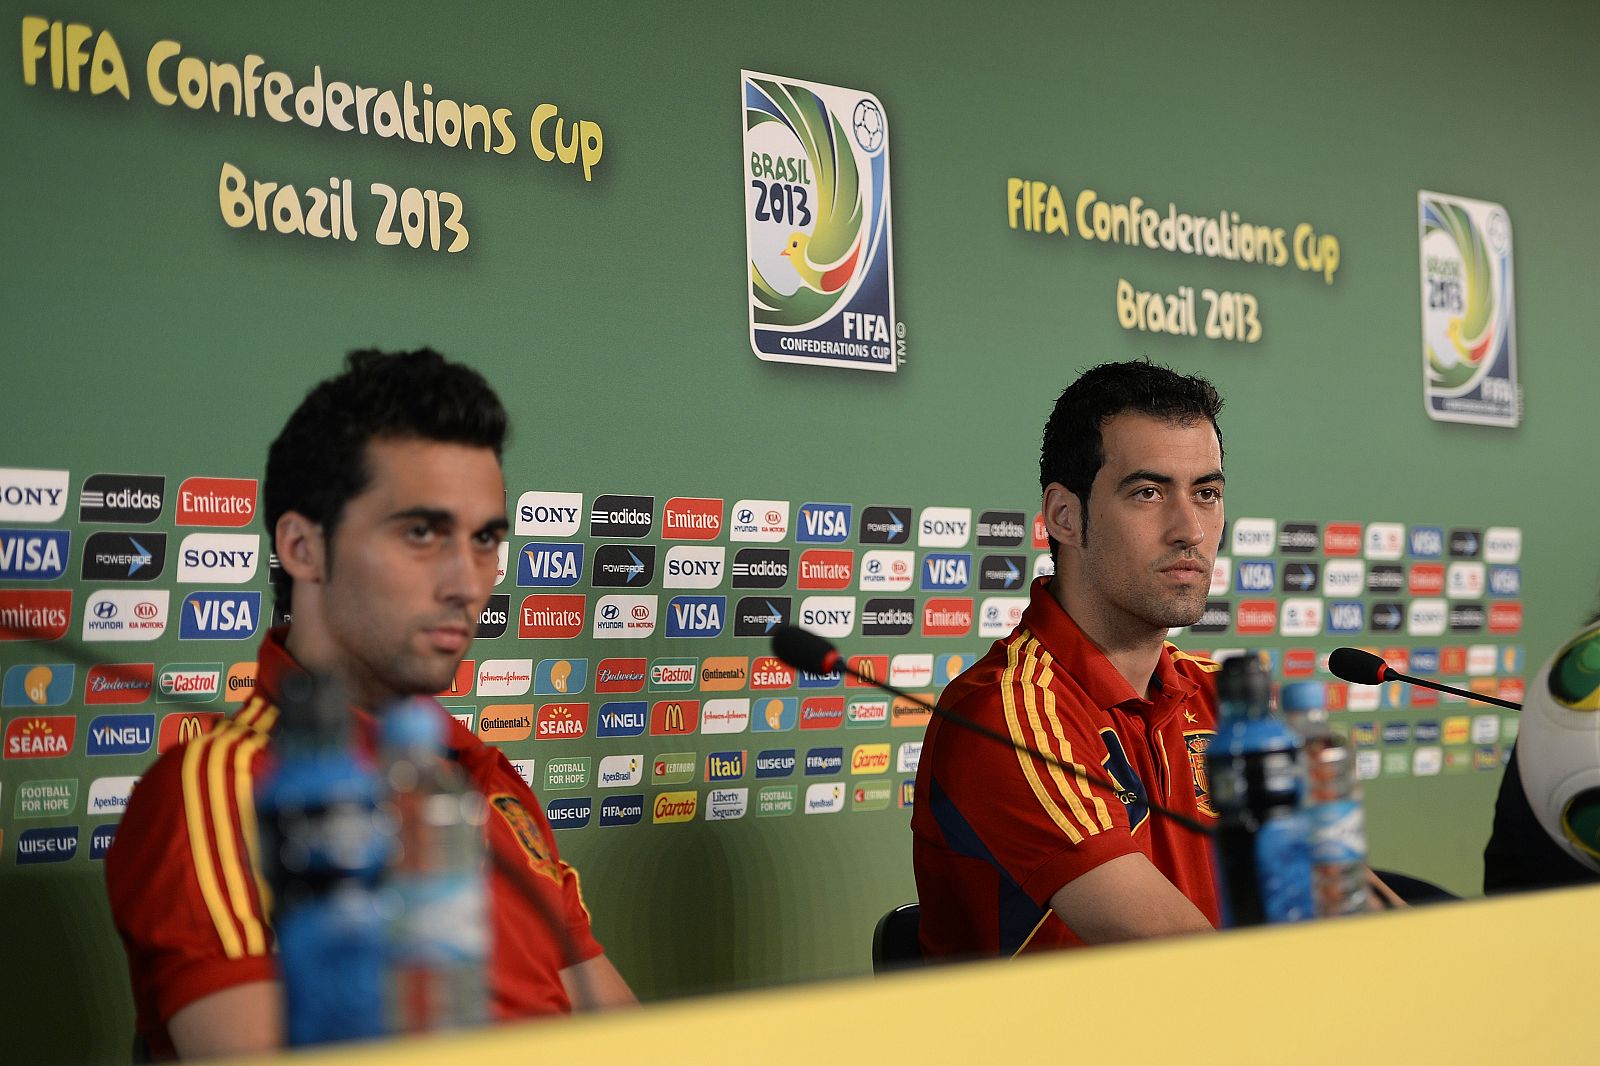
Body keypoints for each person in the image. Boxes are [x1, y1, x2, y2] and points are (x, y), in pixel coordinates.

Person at [106, 349, 634, 1061]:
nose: (467, 582)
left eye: (484, 539)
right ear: (302, 546)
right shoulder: (219, 791)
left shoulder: (486, 778)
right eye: (422, 533)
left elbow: (629, 1034)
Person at [912, 359, 1227, 956]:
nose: (1189, 527)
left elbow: (1341, 901)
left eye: (1206, 493)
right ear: (1064, 515)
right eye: (1148, 492)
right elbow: (1186, 963)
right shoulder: (1005, 717)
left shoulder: (1223, 699)